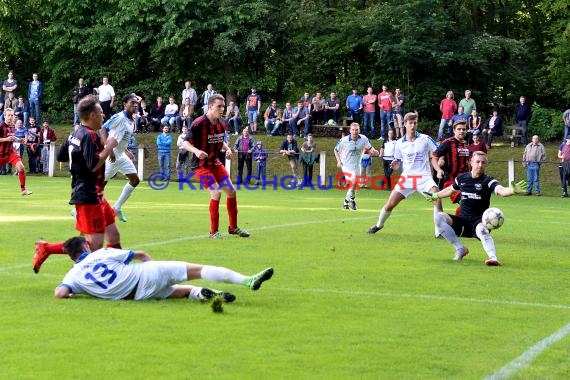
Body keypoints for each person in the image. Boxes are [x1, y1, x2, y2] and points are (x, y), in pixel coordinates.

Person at [33, 95, 121, 274]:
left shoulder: (76, 132)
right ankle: (72, 278)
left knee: (113, 234)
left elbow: (61, 156)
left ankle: (118, 271)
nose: (104, 116)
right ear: (92, 115)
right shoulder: (89, 136)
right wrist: (109, 147)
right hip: (88, 195)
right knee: (93, 246)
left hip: (94, 193)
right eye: (101, 113)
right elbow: (93, 164)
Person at [54, 236, 274, 301]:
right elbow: (139, 254)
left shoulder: (73, 274)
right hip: (146, 275)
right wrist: (155, 269)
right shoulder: (100, 253)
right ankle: (248, 280)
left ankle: (209, 295)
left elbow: (60, 293)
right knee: (199, 269)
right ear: (85, 246)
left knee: (182, 291)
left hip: (136, 297)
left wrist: (78, 293)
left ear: (72, 257)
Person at [427, 151, 528, 266]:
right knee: (439, 217)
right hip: (463, 222)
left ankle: (493, 258)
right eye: (477, 162)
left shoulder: (488, 181)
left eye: (483, 162)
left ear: (486, 164)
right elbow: (450, 190)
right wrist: (436, 195)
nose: (480, 165)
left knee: (481, 229)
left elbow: (501, 190)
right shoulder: (462, 178)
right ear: (471, 162)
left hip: (480, 222)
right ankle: (460, 249)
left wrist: (512, 190)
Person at [182, 93, 250, 238]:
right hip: (201, 167)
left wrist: (228, 149)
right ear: (210, 106)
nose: (222, 109)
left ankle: (233, 228)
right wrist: (196, 150)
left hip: (216, 164)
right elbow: (185, 142)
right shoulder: (198, 123)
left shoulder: (222, 123)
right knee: (216, 193)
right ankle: (214, 232)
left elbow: (219, 139)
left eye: (223, 107)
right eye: (219, 106)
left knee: (231, 192)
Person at [368, 112, 440, 234]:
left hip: (424, 177)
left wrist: (439, 165)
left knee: (437, 199)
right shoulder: (400, 143)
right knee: (390, 203)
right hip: (407, 178)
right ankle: (379, 225)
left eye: (415, 123)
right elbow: (397, 161)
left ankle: (439, 232)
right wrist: (395, 165)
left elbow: (438, 152)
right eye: (410, 123)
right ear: (405, 124)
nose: (413, 125)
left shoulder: (425, 139)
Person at [100, 93, 141, 223]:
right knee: (98, 186)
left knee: (135, 180)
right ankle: (79, 210)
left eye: (136, 103)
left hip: (120, 155)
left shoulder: (131, 120)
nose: (134, 105)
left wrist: (126, 150)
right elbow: (103, 130)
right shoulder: (119, 117)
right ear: (124, 104)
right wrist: (109, 150)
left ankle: (117, 207)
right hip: (111, 157)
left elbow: (121, 137)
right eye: (132, 102)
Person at [335, 123, 378, 210]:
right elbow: (335, 149)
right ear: (350, 130)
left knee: (354, 185)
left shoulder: (364, 139)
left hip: (357, 165)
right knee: (353, 181)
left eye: (356, 130)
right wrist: (338, 161)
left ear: (359, 130)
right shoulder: (344, 140)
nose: (355, 132)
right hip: (346, 165)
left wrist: (374, 151)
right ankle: (352, 201)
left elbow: (370, 148)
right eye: (353, 130)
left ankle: (346, 202)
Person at [0, 108, 32, 195]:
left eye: (12, 115)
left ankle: (23, 190)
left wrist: (19, 140)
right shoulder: (1, 126)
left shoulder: (13, 126)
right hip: (0, 154)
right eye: (8, 115)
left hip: (10, 153)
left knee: (21, 167)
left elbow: (12, 137)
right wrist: (6, 139)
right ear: (4, 116)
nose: (10, 117)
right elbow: (7, 138)